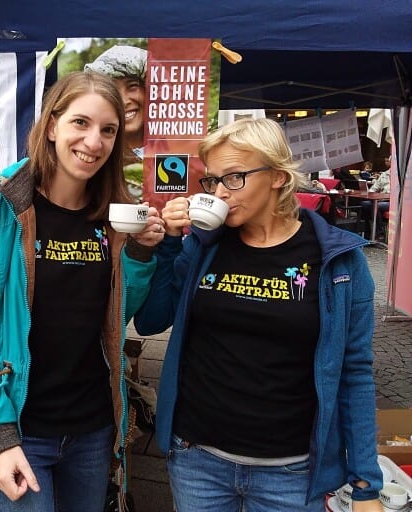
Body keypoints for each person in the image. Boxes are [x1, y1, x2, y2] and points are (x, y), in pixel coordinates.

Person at [135, 118, 383, 512]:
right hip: (198, 460)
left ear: (278, 178)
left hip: (290, 473)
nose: (219, 193)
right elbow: (151, 321)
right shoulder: (204, 246)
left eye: (233, 178)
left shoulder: (338, 261)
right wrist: (167, 243)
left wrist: (366, 484)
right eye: (213, 180)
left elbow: (355, 372)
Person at [0, 71, 166, 511]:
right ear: (51, 125)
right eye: (80, 123)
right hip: (22, 427)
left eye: (108, 130)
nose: (94, 141)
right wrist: (1, 437)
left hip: (92, 428)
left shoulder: (113, 215)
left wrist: (141, 255)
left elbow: (120, 316)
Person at [85, 45, 147, 165]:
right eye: (112, 90)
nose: (123, 101)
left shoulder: (180, 146)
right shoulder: (92, 154)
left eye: (133, 86)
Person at [361, 156, 390, 240]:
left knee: (375, 205)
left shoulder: (401, 177)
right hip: (380, 199)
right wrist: (369, 194)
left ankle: (379, 233)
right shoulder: (385, 174)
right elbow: (374, 188)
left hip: (393, 202)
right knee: (364, 204)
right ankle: (366, 232)